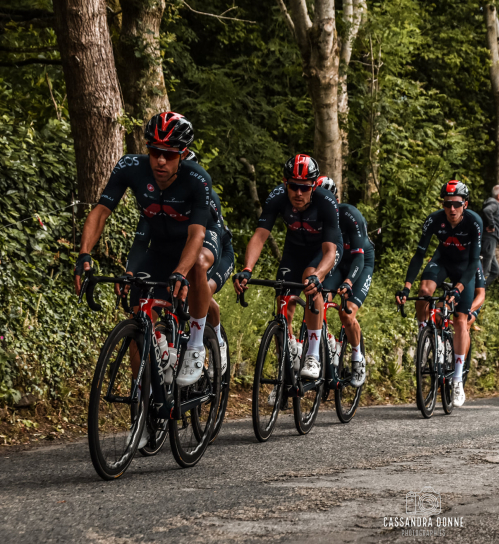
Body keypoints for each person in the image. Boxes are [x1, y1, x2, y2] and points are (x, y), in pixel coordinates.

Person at [73, 113, 220, 447]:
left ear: (183, 154)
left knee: (195, 263)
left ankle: (196, 344)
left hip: (198, 242)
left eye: (170, 153)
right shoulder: (130, 168)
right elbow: (100, 212)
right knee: (140, 320)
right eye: (155, 151)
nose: (161, 160)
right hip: (160, 245)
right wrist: (84, 255)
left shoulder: (197, 178)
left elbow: (197, 233)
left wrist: (180, 272)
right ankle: (144, 410)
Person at [233, 155, 342, 382]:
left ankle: (313, 355)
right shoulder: (277, 198)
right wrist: (247, 269)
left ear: (313, 186)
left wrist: (319, 276)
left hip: (323, 251)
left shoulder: (326, 201)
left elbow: (331, 251)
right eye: (293, 186)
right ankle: (287, 365)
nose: (298, 193)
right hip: (294, 251)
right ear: (285, 183)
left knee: (310, 280)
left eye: (304, 187)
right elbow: (260, 236)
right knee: (283, 302)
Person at [129, 185, 234, 375]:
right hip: (175, 253)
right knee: (141, 318)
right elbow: (142, 241)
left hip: (213, 248)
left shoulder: (205, 199)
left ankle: (216, 341)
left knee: (197, 286)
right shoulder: (157, 201)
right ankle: (145, 393)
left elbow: (205, 244)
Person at [395, 180, 483, 408]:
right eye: (446, 204)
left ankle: (457, 379)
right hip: (442, 261)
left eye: (456, 204)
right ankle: (424, 332)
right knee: (424, 291)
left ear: (465, 204)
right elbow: (419, 255)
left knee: (460, 321)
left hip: (465, 268)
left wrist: (458, 289)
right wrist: (406, 287)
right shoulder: (435, 220)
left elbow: (474, 262)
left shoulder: (474, 222)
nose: (451, 209)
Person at [316, 176, 374, 388]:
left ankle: (358, 357)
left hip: (360, 262)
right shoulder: (315, 218)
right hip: (337, 263)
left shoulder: (350, 215)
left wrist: (349, 282)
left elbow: (358, 258)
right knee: (320, 298)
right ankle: (330, 341)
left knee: (347, 311)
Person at [480, 185, 499, 285]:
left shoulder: (497, 206)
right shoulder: (494, 204)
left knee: (495, 271)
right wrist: (491, 225)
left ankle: (480, 292)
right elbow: (487, 210)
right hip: (489, 239)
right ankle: (474, 294)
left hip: (492, 240)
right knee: (484, 271)